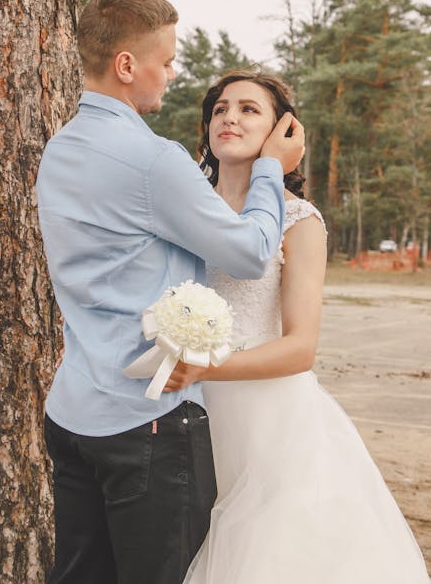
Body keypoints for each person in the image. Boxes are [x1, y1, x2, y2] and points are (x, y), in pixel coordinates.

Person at [35, 0, 305, 584]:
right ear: (127, 65)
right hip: (146, 423)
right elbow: (253, 252)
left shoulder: (59, 151)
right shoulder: (155, 160)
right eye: (167, 60)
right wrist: (269, 171)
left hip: (74, 412)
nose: (172, 74)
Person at [164, 69, 430, 584]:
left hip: (269, 426)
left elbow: (301, 349)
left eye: (248, 109)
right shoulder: (184, 210)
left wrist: (204, 367)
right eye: (220, 109)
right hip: (181, 409)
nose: (230, 117)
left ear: (282, 132)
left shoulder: (298, 221)